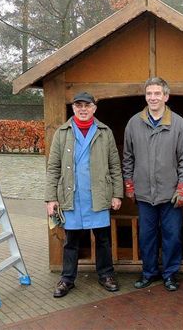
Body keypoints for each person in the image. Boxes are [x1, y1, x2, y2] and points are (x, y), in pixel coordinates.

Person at [45, 92, 123, 298]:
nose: (83, 109)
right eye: (78, 105)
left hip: (98, 194)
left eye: (87, 105)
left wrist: (117, 194)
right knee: (71, 240)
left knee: (103, 239)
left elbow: (115, 165)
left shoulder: (105, 132)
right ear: (73, 108)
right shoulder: (62, 133)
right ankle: (67, 278)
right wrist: (51, 198)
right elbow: (53, 168)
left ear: (94, 108)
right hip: (72, 196)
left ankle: (106, 274)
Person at [122, 77, 183, 292]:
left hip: (170, 194)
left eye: (157, 94)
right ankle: (149, 273)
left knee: (172, 236)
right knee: (146, 237)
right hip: (144, 193)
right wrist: (129, 184)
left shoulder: (178, 123)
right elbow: (127, 156)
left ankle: (170, 274)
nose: (153, 97)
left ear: (166, 96)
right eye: (149, 94)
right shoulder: (134, 123)